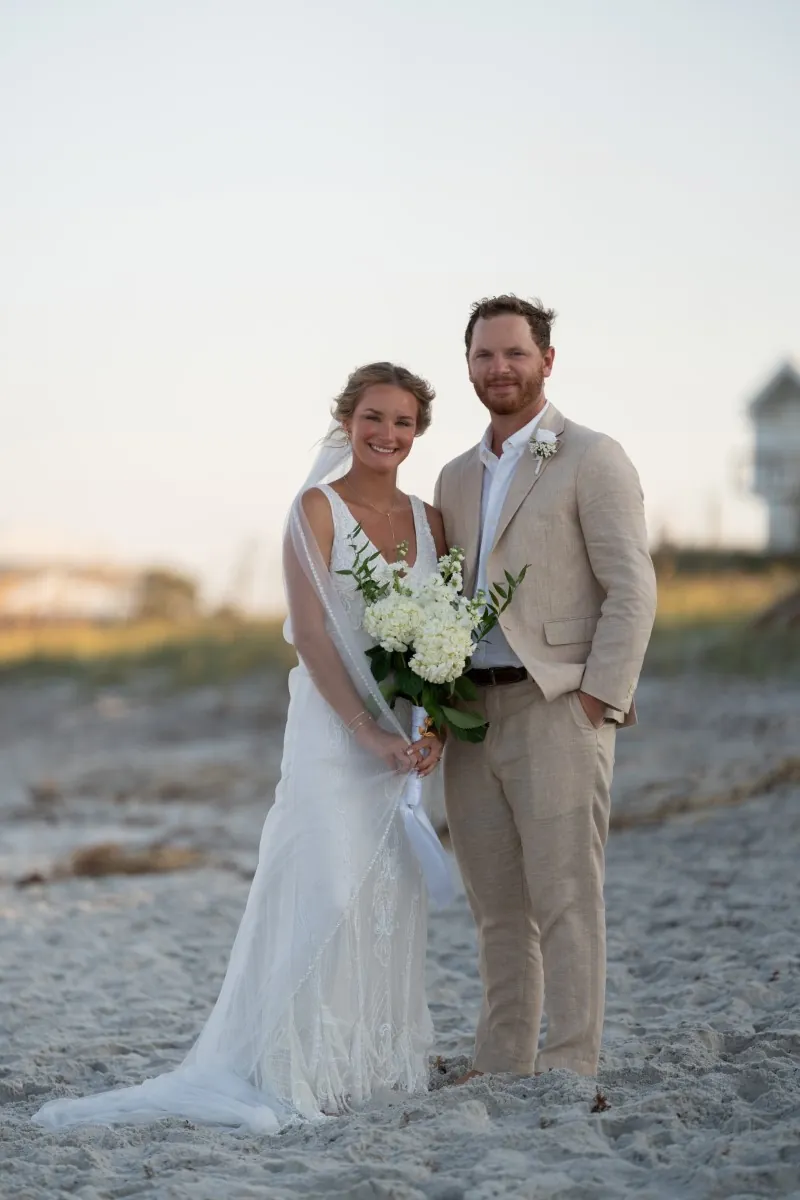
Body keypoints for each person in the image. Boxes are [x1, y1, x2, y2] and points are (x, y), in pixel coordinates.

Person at [33, 362, 449, 1133]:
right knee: (323, 883)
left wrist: (432, 727)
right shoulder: (315, 510)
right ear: (347, 420)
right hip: (335, 735)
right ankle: (292, 1066)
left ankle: (368, 1067)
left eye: (402, 421)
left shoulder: (433, 522)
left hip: (406, 738)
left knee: (385, 892)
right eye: (373, 417)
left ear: (418, 431)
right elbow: (314, 634)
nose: (387, 434)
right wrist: (365, 729)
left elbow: (443, 639)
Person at [435, 296, 657, 1081]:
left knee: (566, 898)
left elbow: (633, 589)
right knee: (496, 906)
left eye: (515, 354)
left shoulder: (592, 457)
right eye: (484, 356)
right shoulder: (454, 476)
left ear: (547, 362)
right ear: (467, 366)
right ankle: (502, 1062)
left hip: (558, 705)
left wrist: (600, 698)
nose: (499, 368)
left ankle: (570, 1062)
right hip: (471, 713)